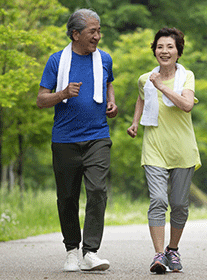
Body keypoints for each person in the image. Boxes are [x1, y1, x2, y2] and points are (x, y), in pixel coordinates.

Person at [36, 8, 118, 272]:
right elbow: (41, 100)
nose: (98, 36)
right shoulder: (57, 61)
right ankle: (72, 250)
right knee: (67, 196)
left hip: (97, 136)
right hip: (64, 140)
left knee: (97, 191)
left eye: (98, 30)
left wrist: (112, 101)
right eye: (92, 32)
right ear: (76, 34)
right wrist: (63, 93)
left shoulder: (104, 59)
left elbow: (108, 83)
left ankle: (91, 251)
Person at [127, 27, 201, 274]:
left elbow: (187, 105)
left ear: (178, 51)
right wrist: (135, 122)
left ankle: (173, 250)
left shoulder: (186, 76)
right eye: (160, 47)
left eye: (170, 47)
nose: (164, 51)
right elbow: (141, 98)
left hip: (182, 151)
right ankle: (159, 255)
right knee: (158, 200)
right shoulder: (145, 79)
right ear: (154, 51)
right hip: (154, 149)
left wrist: (162, 86)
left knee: (179, 204)